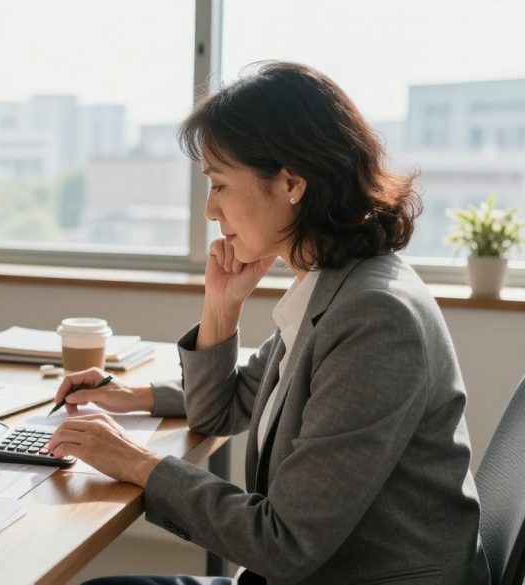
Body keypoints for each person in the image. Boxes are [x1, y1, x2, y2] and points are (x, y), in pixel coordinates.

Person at [45, 61, 490, 585]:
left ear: (292, 183)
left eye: (220, 185)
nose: (211, 210)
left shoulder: (374, 316)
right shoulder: (334, 281)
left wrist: (136, 462)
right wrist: (219, 308)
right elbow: (222, 410)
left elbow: (284, 543)